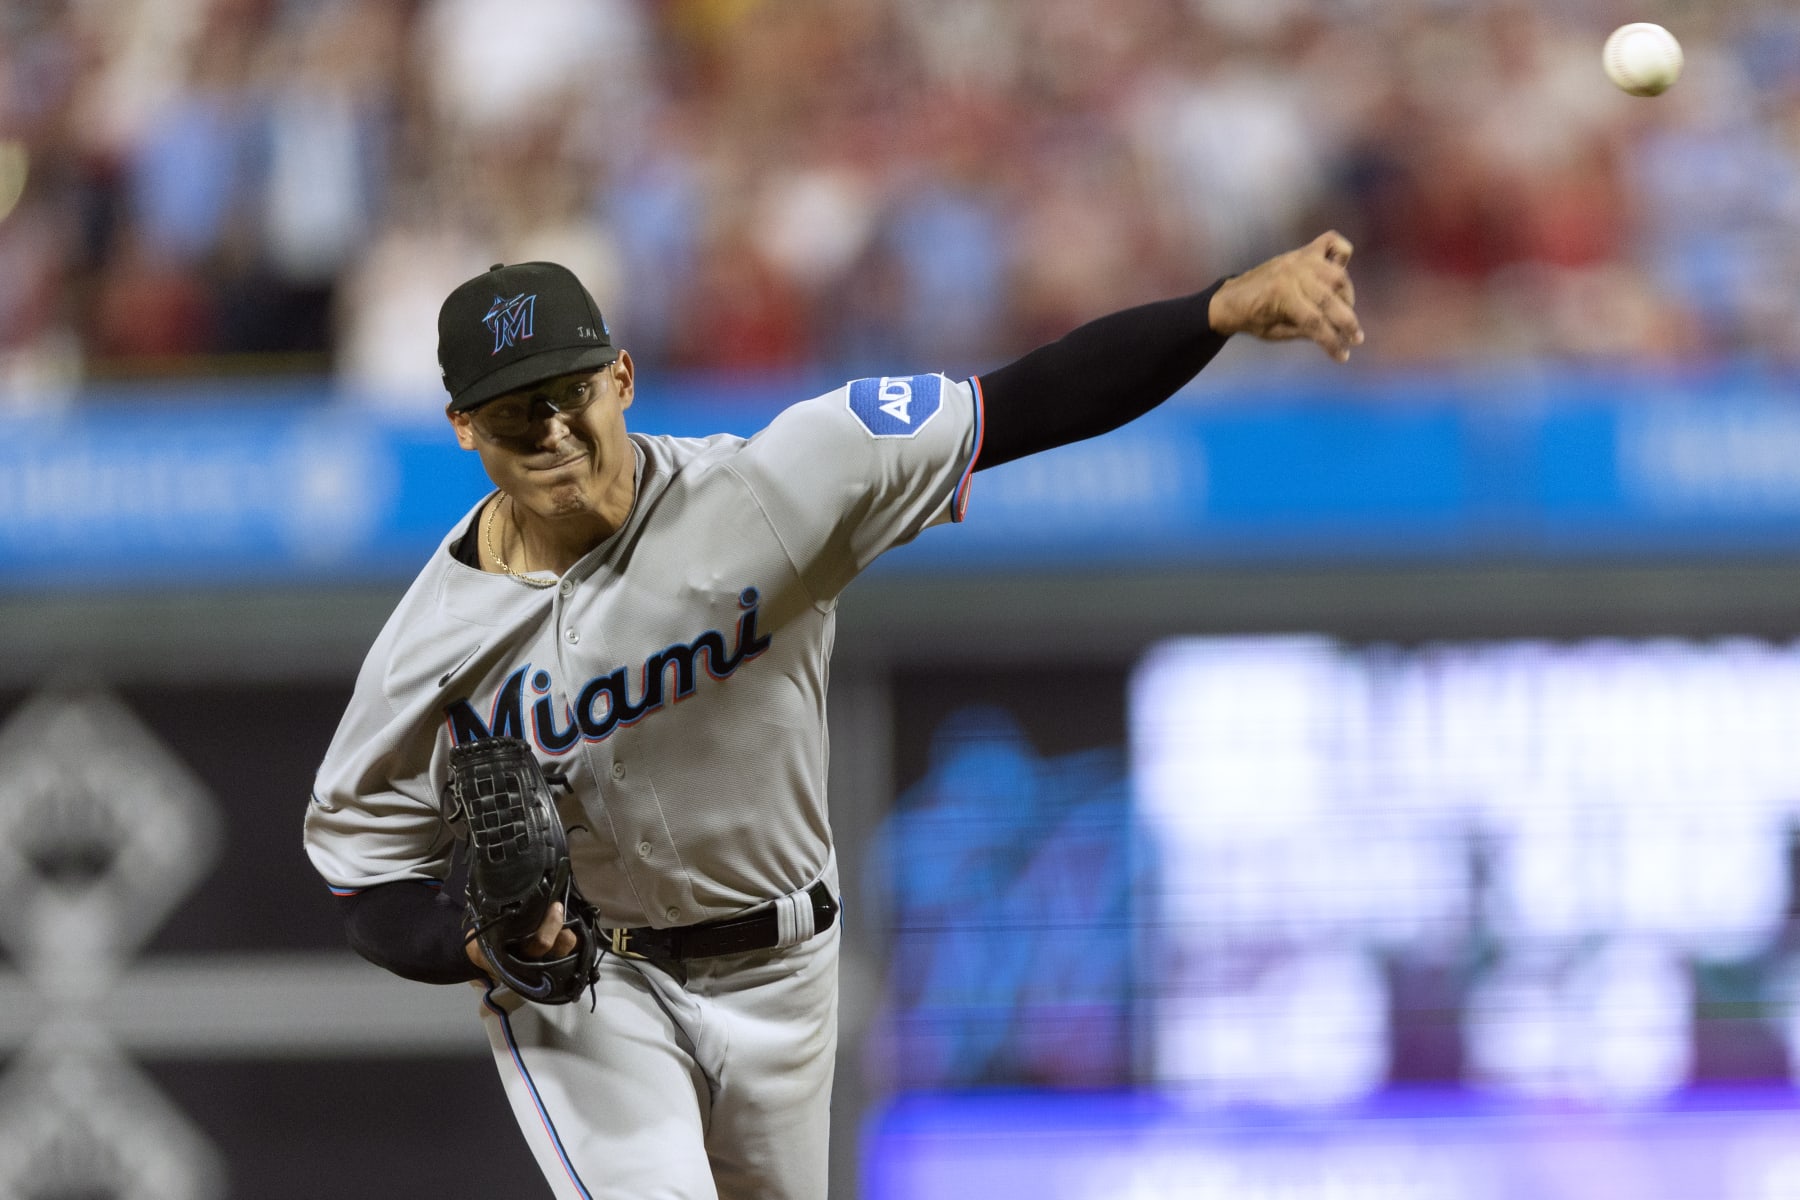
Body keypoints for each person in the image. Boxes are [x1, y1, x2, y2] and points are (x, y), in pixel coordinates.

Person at [303, 230, 1362, 1199]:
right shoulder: (427, 648)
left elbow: (1023, 405)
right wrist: (484, 948)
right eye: (512, 411)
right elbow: (363, 875)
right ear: (460, 429)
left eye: (570, 391)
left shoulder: (775, 486)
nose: (551, 428)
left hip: (784, 966)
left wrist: (1216, 311)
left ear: (621, 377)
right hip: (593, 983)